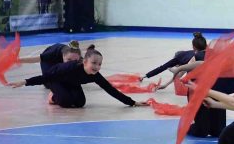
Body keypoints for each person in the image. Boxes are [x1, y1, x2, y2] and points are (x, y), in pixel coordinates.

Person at [9, 45, 146, 109]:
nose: (97, 67)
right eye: (94, 63)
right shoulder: (69, 67)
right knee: (66, 102)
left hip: (71, 82)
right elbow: (46, 77)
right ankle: (53, 96)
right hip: (56, 79)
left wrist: (132, 102)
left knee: (80, 103)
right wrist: (25, 81)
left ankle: (62, 93)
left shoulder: (95, 75)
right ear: (84, 62)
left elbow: (110, 89)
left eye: (99, 64)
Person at [141, 32, 208, 82]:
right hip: (185, 58)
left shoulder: (189, 58)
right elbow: (179, 73)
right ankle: (169, 68)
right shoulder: (206, 54)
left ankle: (169, 68)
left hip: (185, 58)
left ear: (193, 47)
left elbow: (175, 73)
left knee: (167, 67)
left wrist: (145, 76)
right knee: (171, 67)